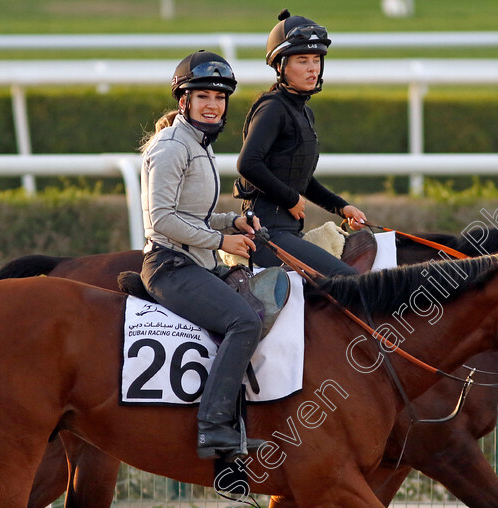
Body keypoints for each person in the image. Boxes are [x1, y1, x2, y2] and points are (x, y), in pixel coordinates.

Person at [139, 50, 265, 460]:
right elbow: (162, 220)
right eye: (204, 97)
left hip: (195, 261)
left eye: (220, 98)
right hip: (169, 265)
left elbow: (197, 214)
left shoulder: (198, 143)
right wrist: (221, 242)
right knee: (244, 321)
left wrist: (233, 223)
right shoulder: (173, 145)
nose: (213, 105)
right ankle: (213, 428)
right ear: (184, 102)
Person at [235, 9, 368, 277]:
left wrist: (341, 207)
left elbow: (301, 179)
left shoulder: (304, 112)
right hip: (266, 235)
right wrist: (291, 198)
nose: (312, 68)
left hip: (289, 232)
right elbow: (247, 163)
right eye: (302, 60)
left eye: (316, 60)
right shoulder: (272, 109)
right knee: (351, 281)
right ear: (280, 66)